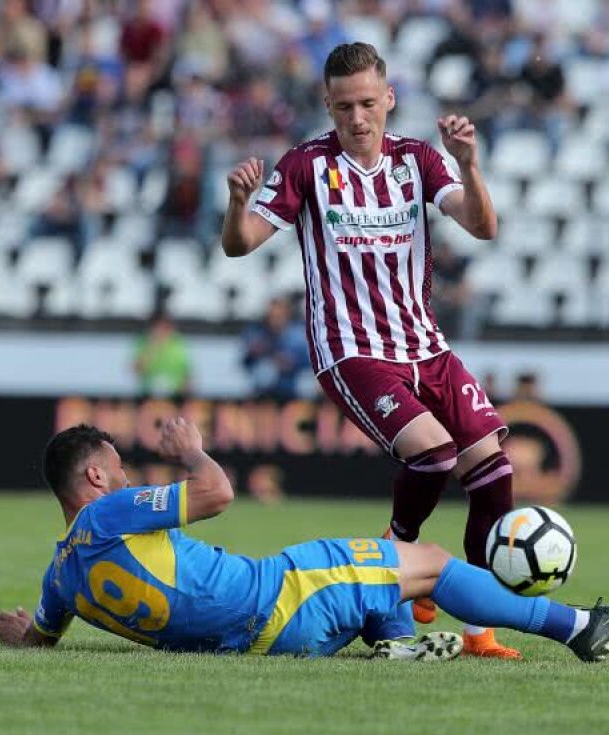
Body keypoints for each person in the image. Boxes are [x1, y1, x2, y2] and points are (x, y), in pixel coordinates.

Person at [220, 43, 520, 659]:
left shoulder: (418, 160)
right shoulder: (306, 165)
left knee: (494, 474)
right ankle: (401, 569)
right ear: (327, 105)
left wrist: (469, 165)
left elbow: (484, 226)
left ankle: (477, 632)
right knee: (434, 455)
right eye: (344, 106)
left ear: (390, 98)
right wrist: (235, 204)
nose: (358, 118)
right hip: (351, 350)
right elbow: (240, 244)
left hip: (425, 346)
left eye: (367, 103)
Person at [0, 421, 609, 664]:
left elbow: (41, 640)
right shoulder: (109, 513)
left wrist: (18, 632)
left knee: (386, 565)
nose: (128, 475)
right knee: (430, 563)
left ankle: (397, 644)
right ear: (95, 476)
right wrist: (193, 453)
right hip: (283, 597)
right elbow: (218, 493)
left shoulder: (61, 577)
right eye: (120, 466)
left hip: (251, 634)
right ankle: (577, 628)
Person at [241, 296, 312, 399]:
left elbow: (300, 364)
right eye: (271, 316)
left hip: (293, 391)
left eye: (278, 316)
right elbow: (246, 362)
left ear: (287, 315)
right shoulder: (257, 333)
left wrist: (270, 353)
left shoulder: (298, 336)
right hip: (263, 393)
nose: (274, 320)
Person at [133, 310, 194, 398]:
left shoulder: (179, 344)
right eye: (158, 327)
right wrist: (152, 348)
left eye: (165, 327)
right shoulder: (142, 342)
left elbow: (188, 374)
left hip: (174, 396)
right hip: (148, 396)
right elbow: (137, 370)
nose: (161, 331)